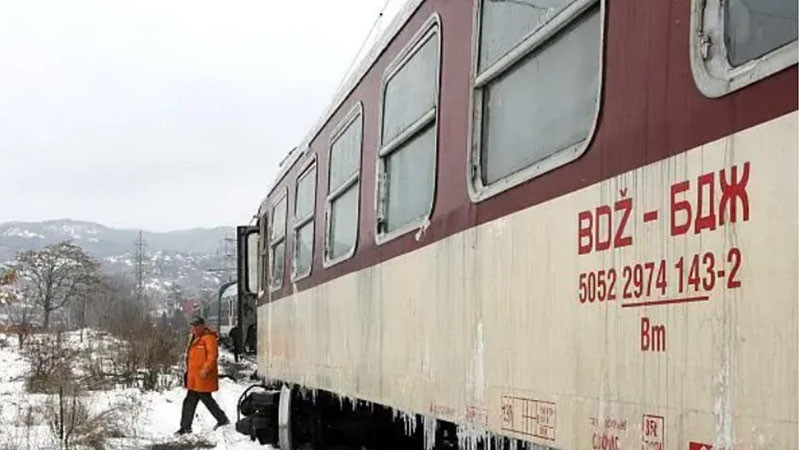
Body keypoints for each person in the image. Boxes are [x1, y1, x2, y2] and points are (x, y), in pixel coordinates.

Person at [176, 316, 230, 435]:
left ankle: (186, 427)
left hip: (203, 378)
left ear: (202, 325)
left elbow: (212, 356)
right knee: (194, 401)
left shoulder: (208, 338)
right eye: (192, 326)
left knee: (202, 400)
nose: (194, 328)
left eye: (196, 326)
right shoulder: (195, 338)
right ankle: (186, 427)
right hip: (195, 378)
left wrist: (205, 370)